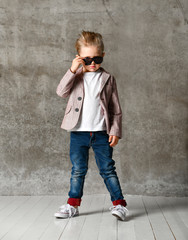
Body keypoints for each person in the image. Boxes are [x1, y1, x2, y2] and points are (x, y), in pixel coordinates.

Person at [54, 30, 128, 221]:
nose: (92, 63)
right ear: (79, 58)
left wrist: (115, 131)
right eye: (87, 59)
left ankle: (119, 205)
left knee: (107, 169)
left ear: (103, 55)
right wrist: (72, 70)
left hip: (102, 132)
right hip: (78, 133)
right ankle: (72, 205)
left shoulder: (108, 79)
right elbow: (61, 92)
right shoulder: (76, 76)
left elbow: (115, 108)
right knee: (78, 169)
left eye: (96, 58)